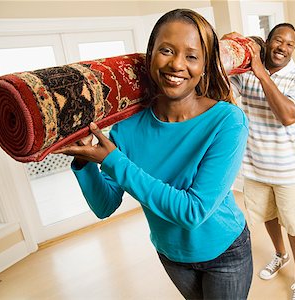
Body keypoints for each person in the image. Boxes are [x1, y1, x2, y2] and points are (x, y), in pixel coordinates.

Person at [55, 9, 252, 300]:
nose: (176, 64)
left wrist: (113, 161)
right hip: (171, 254)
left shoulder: (227, 121)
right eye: (167, 51)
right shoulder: (127, 128)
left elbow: (193, 211)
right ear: (151, 55)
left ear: (204, 66)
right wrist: (84, 161)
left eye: (192, 56)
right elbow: (105, 206)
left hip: (225, 251)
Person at [223, 23, 295, 300]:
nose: (282, 48)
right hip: (254, 167)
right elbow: (222, 79)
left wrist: (262, 74)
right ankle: (280, 255)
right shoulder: (248, 71)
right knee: (268, 217)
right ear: (267, 42)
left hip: (286, 171)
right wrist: (230, 42)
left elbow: (288, 116)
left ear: (293, 49)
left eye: (289, 44)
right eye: (278, 41)